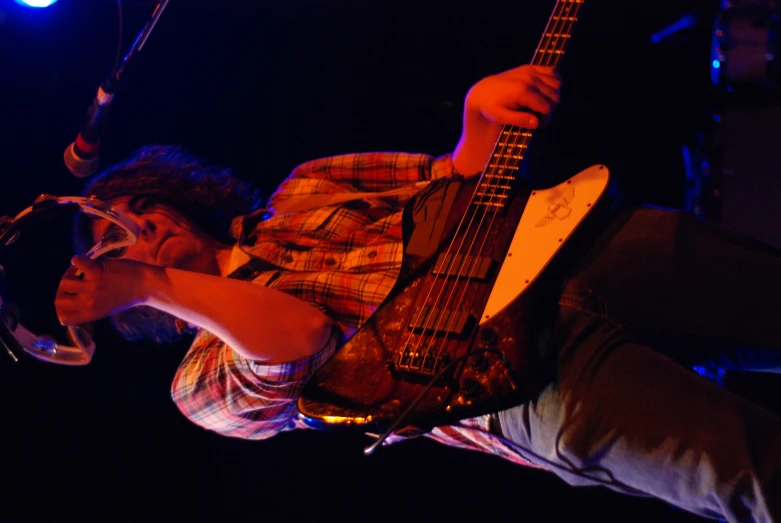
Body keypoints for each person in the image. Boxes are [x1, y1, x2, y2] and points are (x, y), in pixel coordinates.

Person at [54, 63, 781, 522]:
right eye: (112, 242)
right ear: (128, 303)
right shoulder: (201, 381)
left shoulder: (304, 187)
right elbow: (299, 334)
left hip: (575, 249)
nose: (132, 226)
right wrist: (150, 279)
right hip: (517, 382)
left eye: (129, 210)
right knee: (756, 470)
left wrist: (478, 111)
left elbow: (453, 176)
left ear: (165, 194)